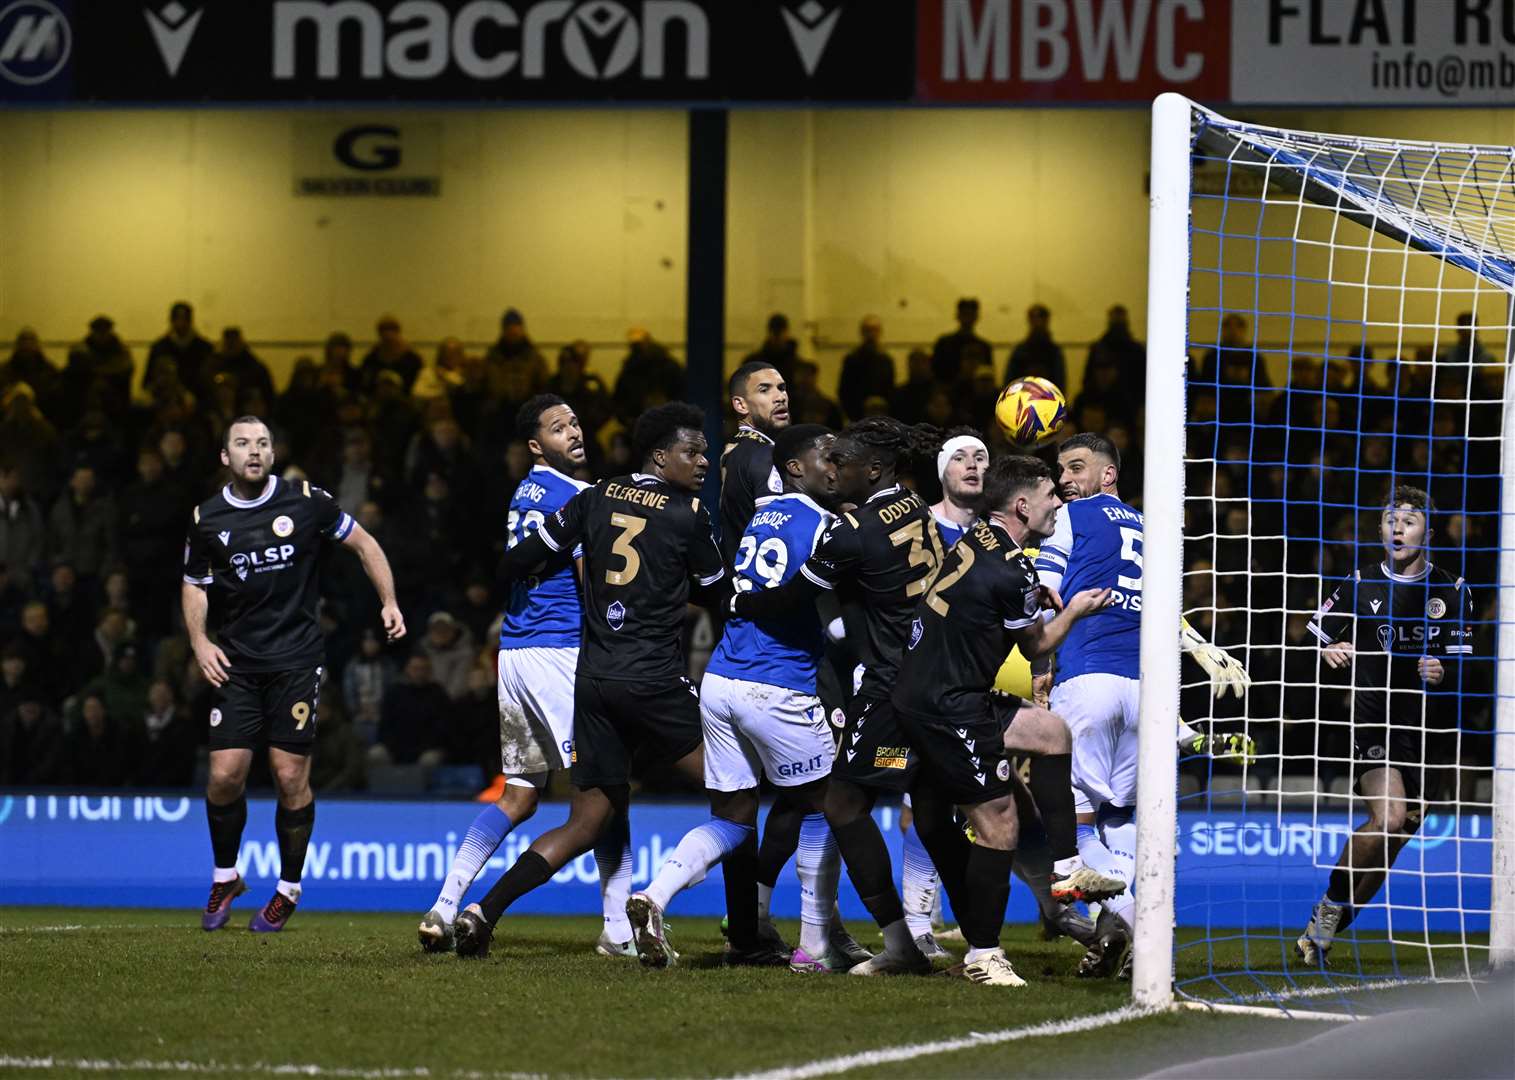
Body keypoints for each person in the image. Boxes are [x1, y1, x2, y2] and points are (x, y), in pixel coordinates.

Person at [452, 403, 726, 960]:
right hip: (653, 678)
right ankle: (676, 899)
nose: (702, 463)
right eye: (693, 453)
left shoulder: (594, 497)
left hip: (596, 678)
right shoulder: (687, 513)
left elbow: (519, 559)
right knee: (733, 792)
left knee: (587, 820)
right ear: (660, 455)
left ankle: (483, 910)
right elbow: (717, 591)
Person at [626, 425, 863, 972]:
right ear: (795, 468)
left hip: (721, 681)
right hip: (776, 684)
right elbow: (832, 617)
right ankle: (817, 941)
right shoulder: (827, 527)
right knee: (828, 806)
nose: (835, 466)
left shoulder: (765, 514)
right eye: (825, 458)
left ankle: (656, 895)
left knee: (735, 817)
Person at [417, 395, 637, 959]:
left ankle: (445, 904)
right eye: (559, 428)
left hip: (513, 653)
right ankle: (616, 929)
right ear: (537, 445)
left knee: (519, 795)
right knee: (607, 792)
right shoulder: (581, 498)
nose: (575, 432)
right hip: (558, 653)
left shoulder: (528, 490)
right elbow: (594, 585)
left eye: (576, 422)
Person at [727, 417, 946, 975]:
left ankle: (842, 939)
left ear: (869, 470)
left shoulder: (852, 529)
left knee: (835, 802)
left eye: (841, 461)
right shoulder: (915, 507)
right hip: (933, 674)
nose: (833, 469)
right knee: (837, 801)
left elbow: (796, 594)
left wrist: (742, 602)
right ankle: (829, 935)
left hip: (887, 683)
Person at [891, 456, 1119, 985]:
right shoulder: (1015, 567)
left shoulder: (977, 540)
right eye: (1049, 497)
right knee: (999, 825)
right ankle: (983, 956)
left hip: (938, 690)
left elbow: (984, 597)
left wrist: (1031, 597)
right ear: (1021, 505)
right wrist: (1076, 610)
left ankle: (1065, 871)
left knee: (1051, 731)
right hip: (946, 704)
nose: (1058, 504)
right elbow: (1036, 642)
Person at [1038, 433, 1253, 976]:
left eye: (1077, 467)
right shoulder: (1150, 529)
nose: (1064, 478)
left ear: (1108, 474)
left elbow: (1041, 595)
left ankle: (1133, 919)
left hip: (1087, 680)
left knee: (1075, 820)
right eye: (1061, 469)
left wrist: (1034, 657)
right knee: (1120, 815)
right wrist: (1197, 644)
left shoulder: (1071, 518)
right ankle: (1139, 924)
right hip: (1146, 691)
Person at [184, 416, 405, 933]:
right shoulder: (207, 517)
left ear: (272, 452)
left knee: (289, 778)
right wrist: (199, 640)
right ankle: (225, 876)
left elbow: (366, 544)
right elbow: (194, 581)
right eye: (242, 443)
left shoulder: (306, 501)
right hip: (236, 663)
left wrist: (389, 601)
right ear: (225, 457)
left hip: (296, 661)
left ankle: (288, 888)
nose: (254, 451)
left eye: (262, 442)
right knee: (223, 778)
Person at [1296, 485, 1474, 966]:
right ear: (1379, 529)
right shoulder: (1358, 583)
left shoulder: (1453, 591)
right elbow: (1309, 638)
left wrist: (1444, 671)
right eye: (1391, 519)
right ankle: (1330, 906)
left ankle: (1329, 924)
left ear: (1427, 533)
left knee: (1397, 836)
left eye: (1409, 520)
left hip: (1429, 733)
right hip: (1374, 718)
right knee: (1389, 817)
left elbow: (1467, 669)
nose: (1399, 527)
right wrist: (1327, 649)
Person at [145, 302, 215, 396]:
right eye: (177, 318)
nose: (181, 323)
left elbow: (209, 381)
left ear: (190, 321)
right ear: (171, 320)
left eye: (184, 318)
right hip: (165, 403)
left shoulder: (204, 348)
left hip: (198, 402)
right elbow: (148, 382)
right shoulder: (159, 348)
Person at [837, 315, 895, 423]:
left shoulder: (886, 360)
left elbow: (890, 390)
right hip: (859, 416)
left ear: (879, 332)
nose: (871, 334)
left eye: (874, 330)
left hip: (882, 417)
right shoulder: (852, 360)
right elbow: (844, 390)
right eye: (868, 330)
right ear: (862, 332)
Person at [932, 299, 993, 389]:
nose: (967, 318)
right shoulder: (984, 347)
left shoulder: (944, 343)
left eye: (970, 314)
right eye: (965, 314)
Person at [1005, 303, 1067, 391]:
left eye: (1040, 317)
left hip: (1047, 399)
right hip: (1023, 398)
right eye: (1034, 318)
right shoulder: (1020, 350)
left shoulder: (1054, 351)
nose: (1037, 322)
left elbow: (1060, 381)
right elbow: (1010, 380)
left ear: (1046, 320)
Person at [361, 315, 423, 395]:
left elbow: (417, 386)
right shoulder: (371, 359)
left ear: (398, 332)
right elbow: (365, 384)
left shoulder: (412, 359)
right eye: (384, 331)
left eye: (391, 330)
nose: (388, 335)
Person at [744, 313, 800, 384]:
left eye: (780, 330)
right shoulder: (797, 367)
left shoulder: (797, 367)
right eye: (775, 330)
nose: (778, 335)